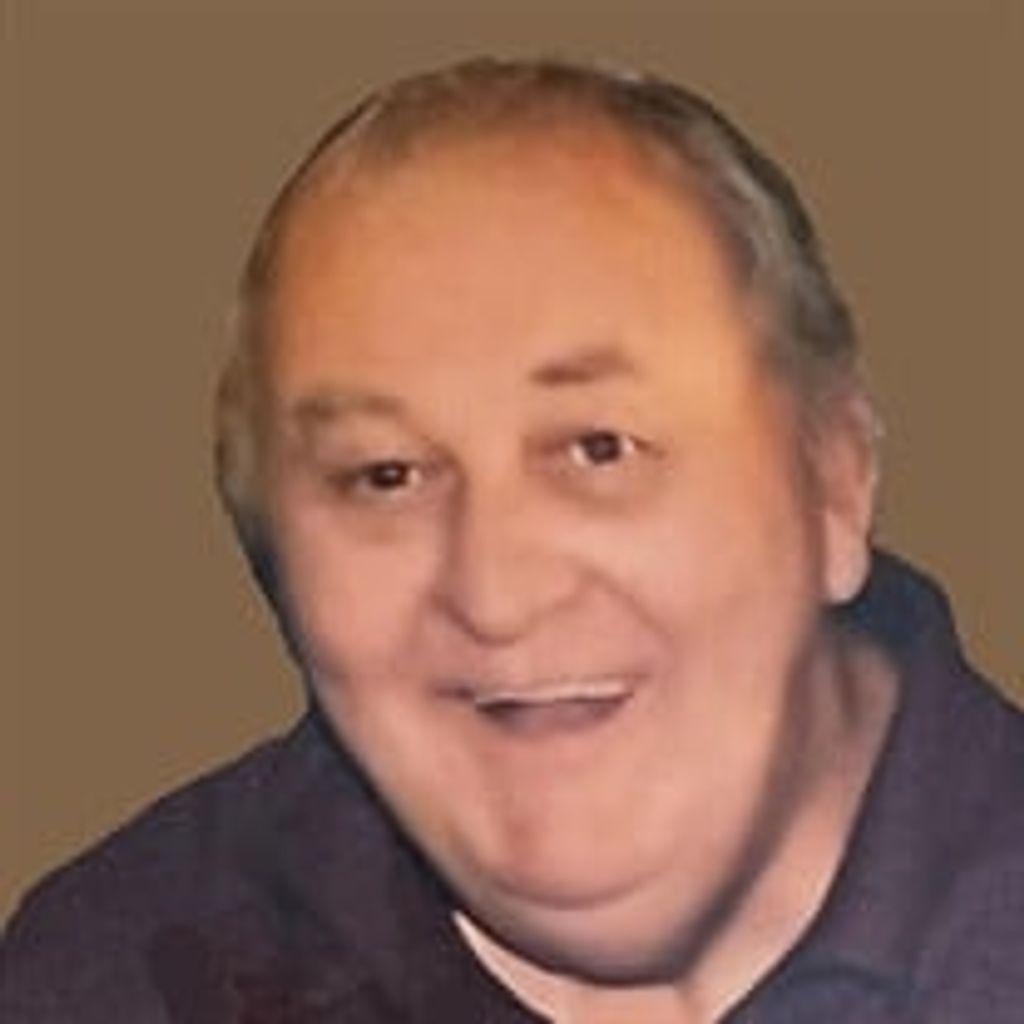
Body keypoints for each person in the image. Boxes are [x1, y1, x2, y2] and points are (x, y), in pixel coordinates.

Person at [3, 58, 1022, 1023]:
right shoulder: (110, 977)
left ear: (835, 480)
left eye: (598, 447)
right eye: (386, 475)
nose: (496, 593)